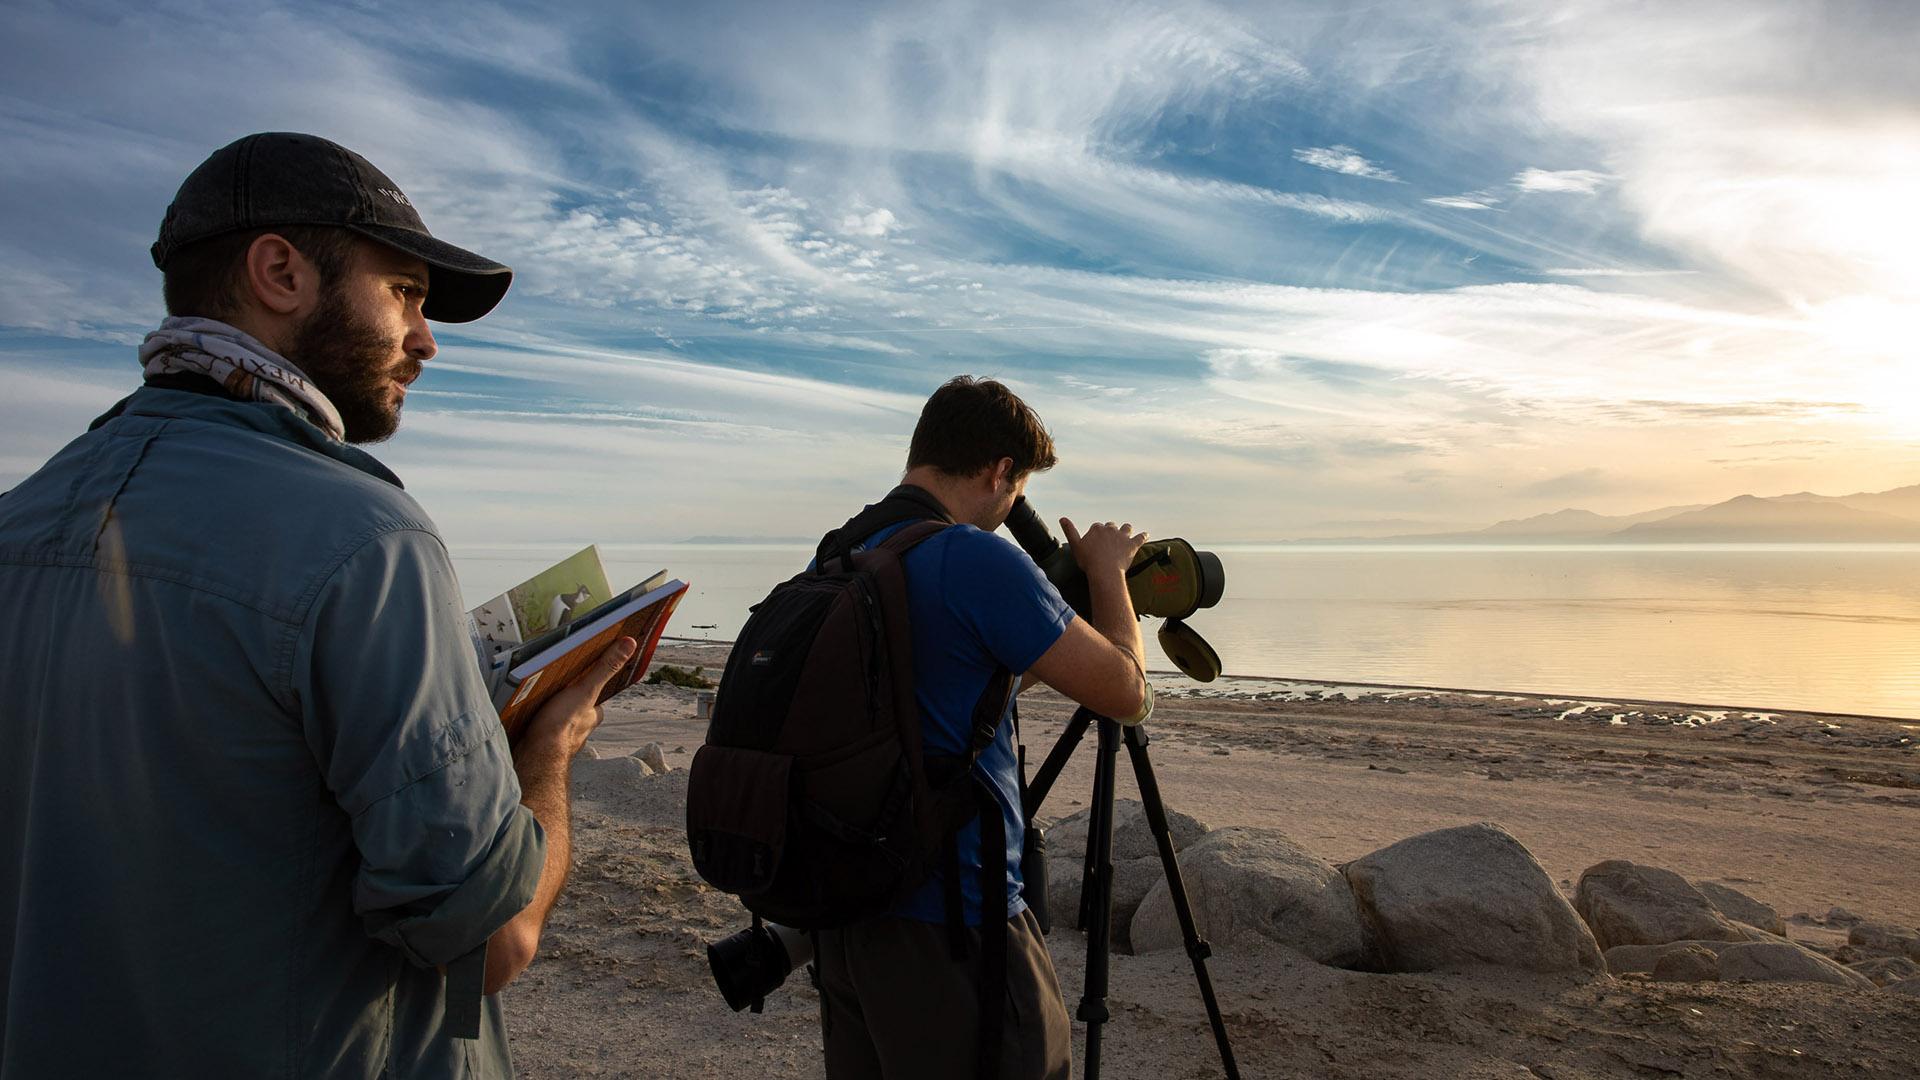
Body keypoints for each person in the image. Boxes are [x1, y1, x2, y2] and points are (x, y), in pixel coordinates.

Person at [0, 132, 627, 1078]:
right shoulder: (368, 540)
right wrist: (544, 757)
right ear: (280, 272)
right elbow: (491, 943)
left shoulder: (23, 517)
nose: (425, 339)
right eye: (405, 293)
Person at [810, 376, 1153, 1080]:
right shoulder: (973, 556)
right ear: (1001, 472)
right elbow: (1127, 693)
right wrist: (1108, 574)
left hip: (849, 916)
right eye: (1018, 488)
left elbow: (942, 685)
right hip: (958, 923)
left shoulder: (845, 550)